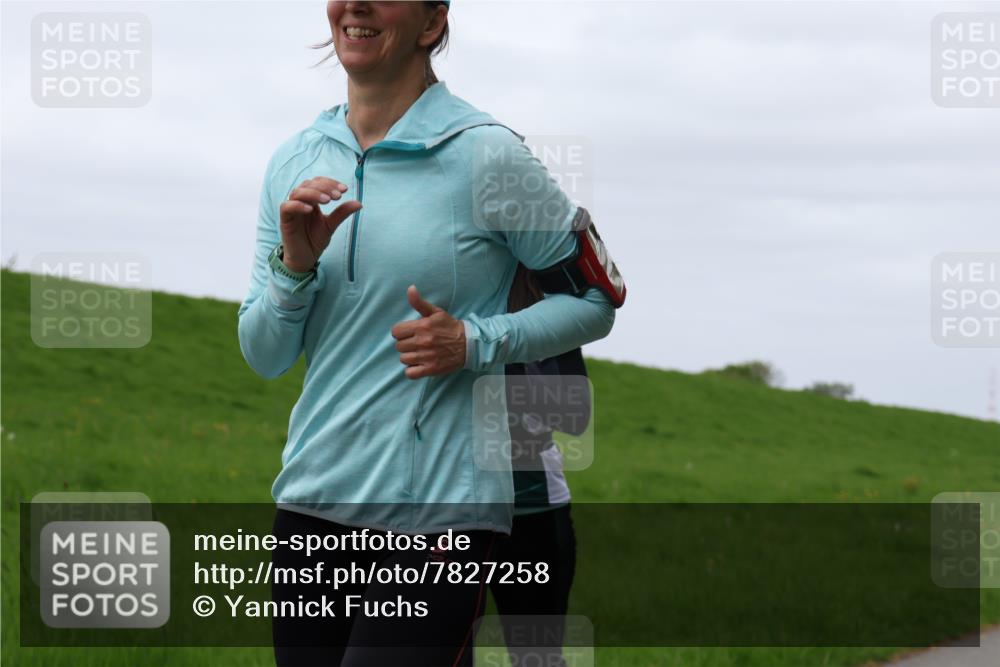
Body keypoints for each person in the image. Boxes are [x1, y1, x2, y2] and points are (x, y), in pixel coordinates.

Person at [237, 2, 616, 665]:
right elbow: (265, 354)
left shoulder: (489, 154)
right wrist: (293, 268)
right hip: (311, 504)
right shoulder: (292, 161)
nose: (355, 4)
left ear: (432, 24)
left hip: (442, 515)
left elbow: (596, 299)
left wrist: (474, 341)